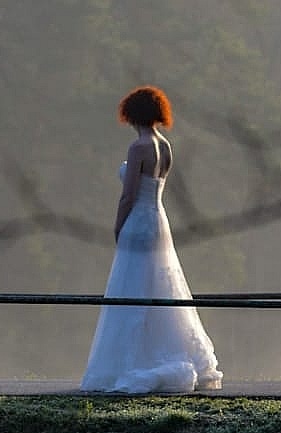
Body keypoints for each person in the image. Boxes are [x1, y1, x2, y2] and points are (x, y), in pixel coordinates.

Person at [80, 86, 222, 393]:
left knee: (132, 287)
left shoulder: (138, 148)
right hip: (159, 219)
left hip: (138, 223)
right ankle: (171, 351)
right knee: (161, 286)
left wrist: (118, 227)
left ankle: (132, 362)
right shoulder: (165, 146)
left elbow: (128, 194)